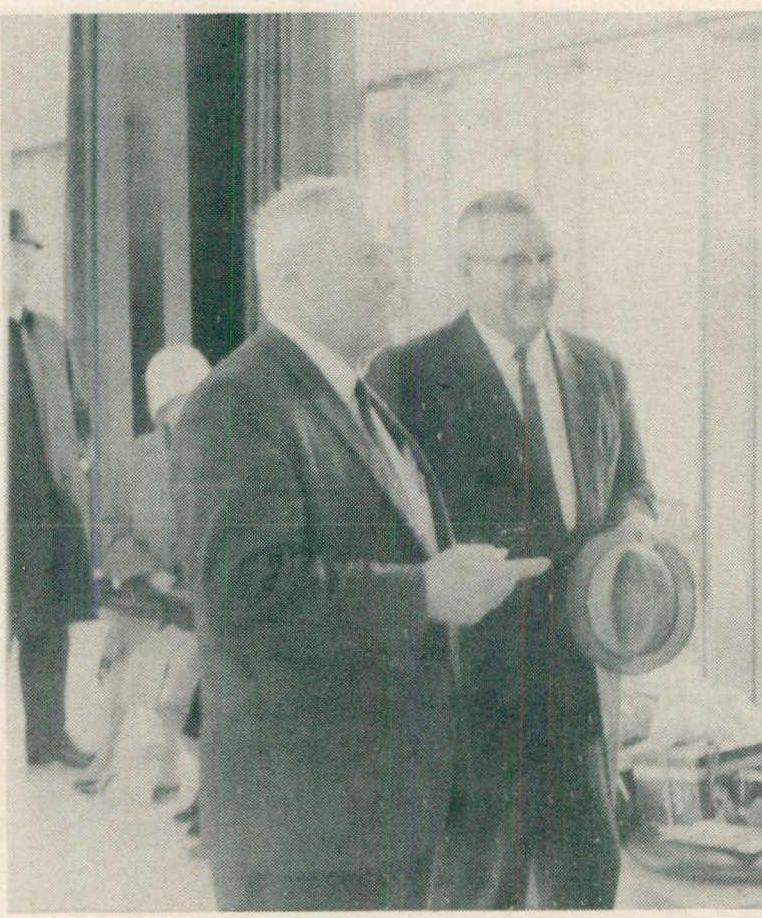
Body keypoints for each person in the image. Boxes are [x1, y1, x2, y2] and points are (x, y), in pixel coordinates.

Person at [171, 177, 549, 911]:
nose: (392, 276)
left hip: (374, 819)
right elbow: (243, 596)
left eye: (390, 256)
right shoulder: (237, 403)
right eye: (369, 258)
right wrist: (426, 591)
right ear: (291, 279)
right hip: (305, 837)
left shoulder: (353, 394)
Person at [368, 190, 656, 909]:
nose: (538, 278)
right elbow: (381, 539)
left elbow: (633, 485)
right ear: (465, 272)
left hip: (581, 696)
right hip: (469, 704)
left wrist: (636, 527)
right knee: (474, 893)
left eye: (546, 257)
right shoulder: (405, 376)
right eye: (513, 262)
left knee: (587, 888)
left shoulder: (599, 367)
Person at [76, 344, 211, 799]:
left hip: (196, 596)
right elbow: (111, 532)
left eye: (192, 403)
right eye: (174, 406)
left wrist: (190, 583)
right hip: (147, 589)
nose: (183, 417)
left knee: (176, 682)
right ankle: (105, 755)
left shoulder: (223, 457)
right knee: (118, 654)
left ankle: (172, 769)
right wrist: (150, 574)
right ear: (159, 411)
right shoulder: (134, 459)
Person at [7, 208, 97, 770]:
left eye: (26, 256)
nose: (21, 266)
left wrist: (78, 458)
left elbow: (78, 413)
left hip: (48, 510)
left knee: (48, 626)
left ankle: (47, 739)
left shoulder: (50, 334)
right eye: (11, 255)